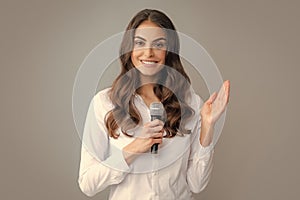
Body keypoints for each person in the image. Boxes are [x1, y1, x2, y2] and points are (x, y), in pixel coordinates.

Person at [78, 9, 230, 200]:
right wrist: (132, 150)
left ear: (169, 51)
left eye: (159, 44)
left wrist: (207, 127)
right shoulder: (105, 103)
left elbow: (197, 184)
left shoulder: (190, 103)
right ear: (129, 49)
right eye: (140, 43)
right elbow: (87, 183)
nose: (148, 52)